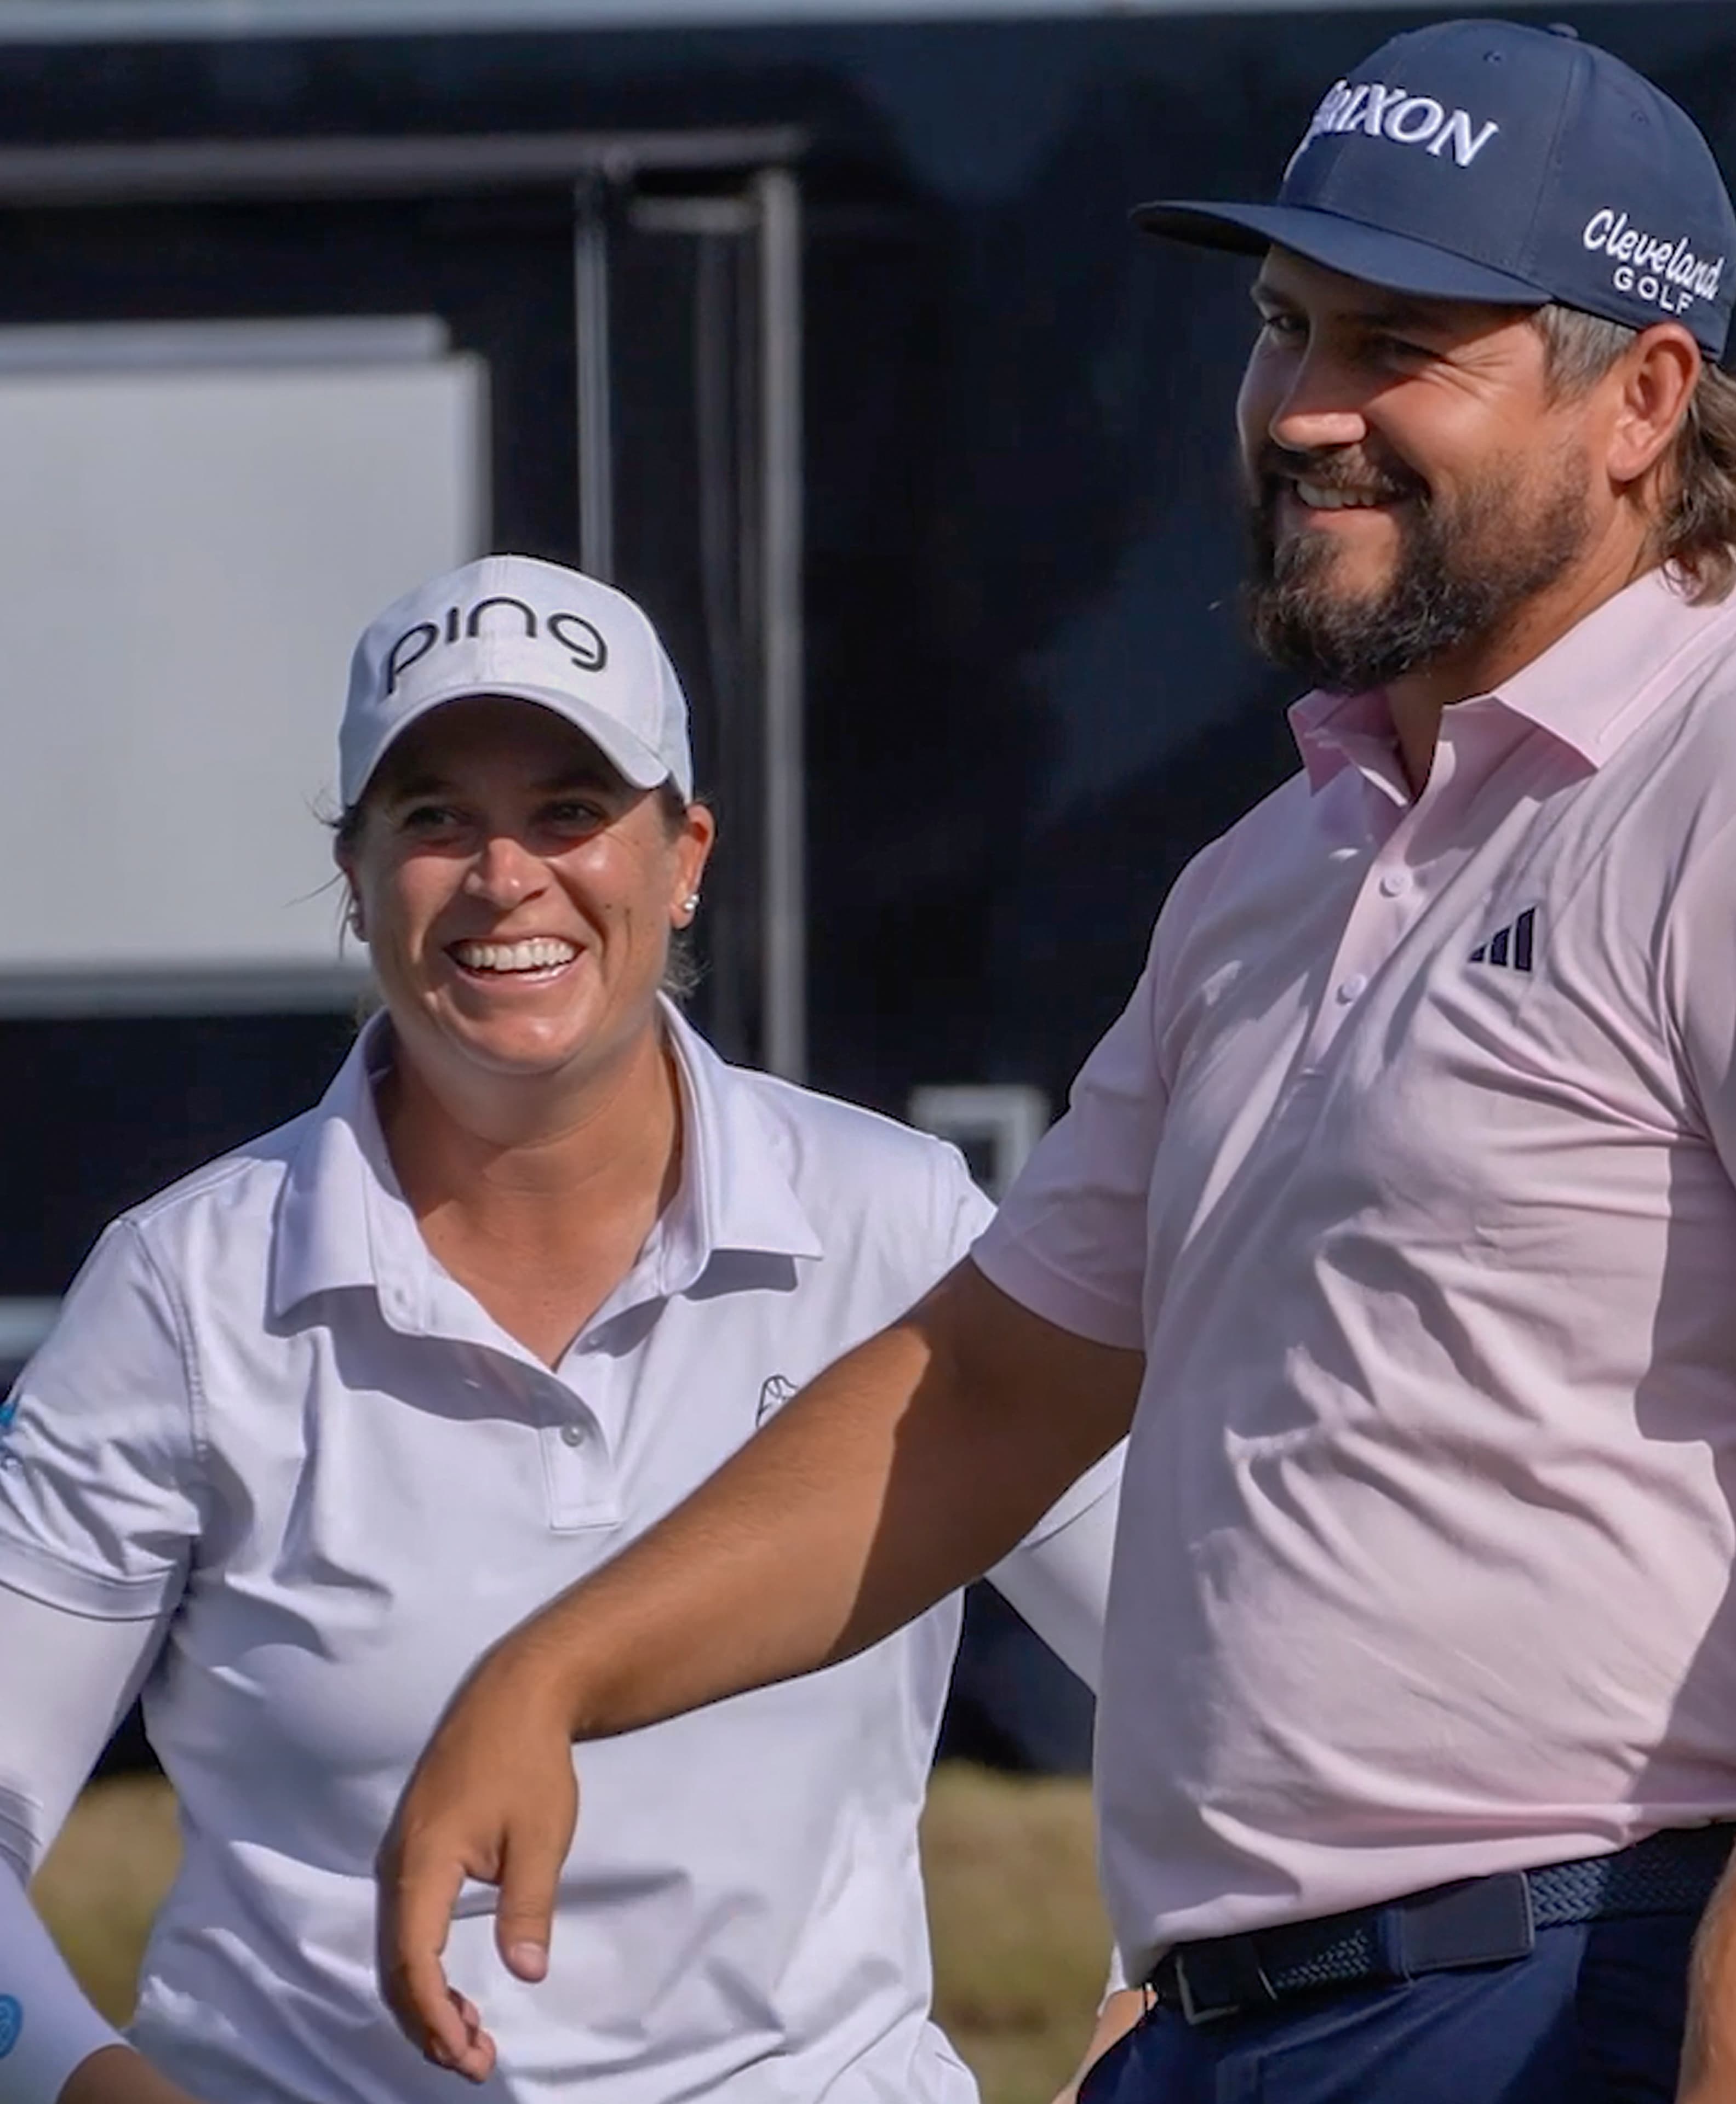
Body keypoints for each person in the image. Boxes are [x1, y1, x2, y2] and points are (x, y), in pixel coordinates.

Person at [380, 22, 1736, 2104]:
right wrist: (556, 1672)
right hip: (1229, 2029)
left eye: (1402, 342)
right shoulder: (1275, 870)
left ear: (1642, 397)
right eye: (1285, 327)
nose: (1309, 412)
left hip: (1597, 1993)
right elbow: (996, 1388)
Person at [0, 552, 1131, 2104]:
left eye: (569, 812)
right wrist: (94, 2090)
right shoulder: (185, 1289)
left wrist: (1163, 2005)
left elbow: (1200, 1662)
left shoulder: (898, 1221)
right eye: (436, 817)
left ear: (686, 859)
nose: (504, 874)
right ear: (355, 877)